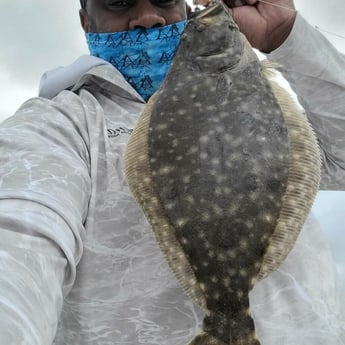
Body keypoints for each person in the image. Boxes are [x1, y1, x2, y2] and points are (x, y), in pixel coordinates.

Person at [0, 0, 344, 344]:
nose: (148, 18)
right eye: (118, 2)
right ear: (86, 22)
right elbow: (19, 234)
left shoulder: (262, 93)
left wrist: (287, 36)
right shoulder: (59, 126)